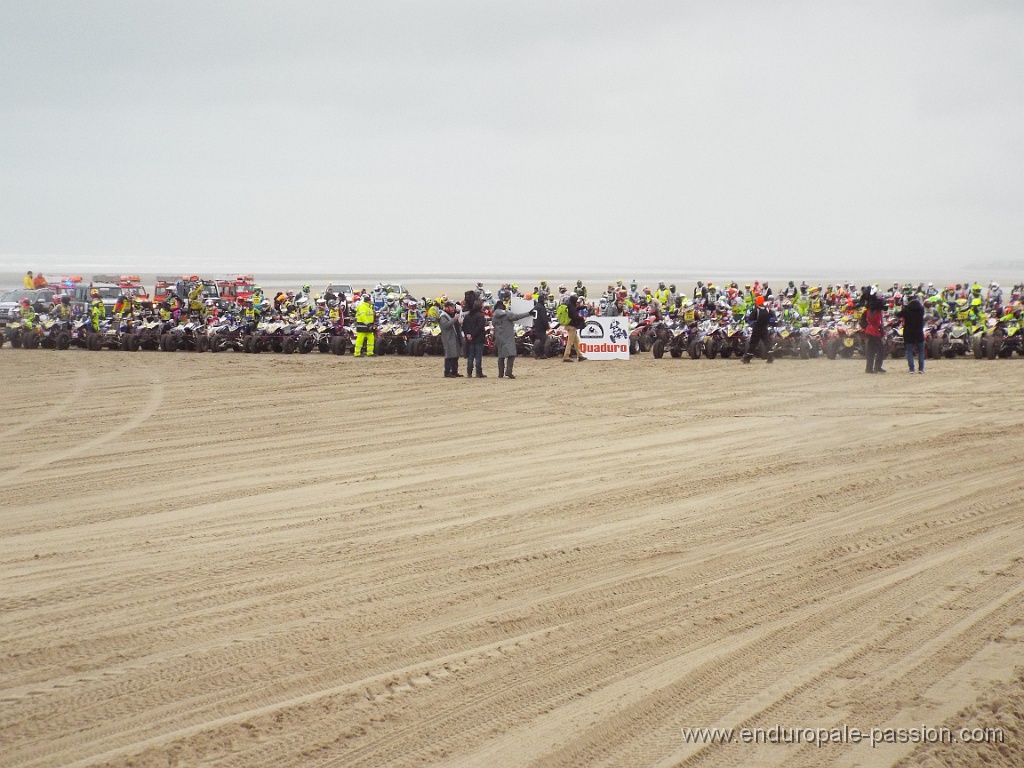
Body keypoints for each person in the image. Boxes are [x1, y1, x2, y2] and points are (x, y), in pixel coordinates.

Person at [491, 295, 532, 378]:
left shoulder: (494, 316)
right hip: (508, 336)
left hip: (499, 337)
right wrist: (528, 313)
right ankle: (508, 371)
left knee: (501, 356)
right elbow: (517, 317)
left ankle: (500, 373)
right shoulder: (507, 314)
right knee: (511, 354)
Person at [896, 292, 926, 373]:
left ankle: (911, 369)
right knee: (921, 352)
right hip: (919, 331)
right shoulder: (921, 309)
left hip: (908, 332)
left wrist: (901, 307)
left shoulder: (906, 310)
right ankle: (921, 369)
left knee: (909, 351)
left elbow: (898, 314)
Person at [742, 295, 774, 363]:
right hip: (765, 328)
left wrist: (748, 320)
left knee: (753, 343)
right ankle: (770, 356)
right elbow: (772, 317)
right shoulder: (767, 309)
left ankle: (747, 358)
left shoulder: (756, 309)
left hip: (757, 328)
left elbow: (750, 318)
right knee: (767, 342)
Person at [861, 287, 887, 374]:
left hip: (869, 330)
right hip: (875, 331)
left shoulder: (868, 310)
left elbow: (862, 321)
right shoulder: (877, 310)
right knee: (880, 349)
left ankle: (869, 368)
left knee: (870, 350)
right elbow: (878, 323)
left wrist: (865, 327)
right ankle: (877, 367)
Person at [438, 300, 464, 377]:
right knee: (449, 355)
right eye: (451, 307)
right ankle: (447, 372)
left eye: (453, 306)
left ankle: (454, 371)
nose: (453, 308)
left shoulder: (452, 314)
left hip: (455, 337)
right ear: (447, 308)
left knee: (455, 355)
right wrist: (454, 319)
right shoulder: (443, 316)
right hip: (448, 338)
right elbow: (446, 325)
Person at [462, 299, 486, 377]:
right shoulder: (480, 316)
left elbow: (464, 327)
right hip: (478, 339)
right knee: (478, 356)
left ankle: (469, 372)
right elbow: (479, 328)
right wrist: (472, 335)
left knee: (470, 356)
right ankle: (478, 373)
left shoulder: (468, 315)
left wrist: (467, 335)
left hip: (469, 339)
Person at [562, 294, 587, 362]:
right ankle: (566, 356)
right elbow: (575, 316)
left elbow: (575, 309)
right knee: (570, 342)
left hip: (569, 325)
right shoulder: (572, 307)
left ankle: (580, 355)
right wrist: (581, 318)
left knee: (576, 342)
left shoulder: (569, 306)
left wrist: (582, 307)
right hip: (572, 327)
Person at [532, 293, 550, 358]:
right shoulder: (542, 308)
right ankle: (537, 352)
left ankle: (539, 353)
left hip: (536, 325)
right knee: (543, 340)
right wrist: (547, 326)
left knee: (540, 339)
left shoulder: (535, 307)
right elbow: (543, 318)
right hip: (541, 326)